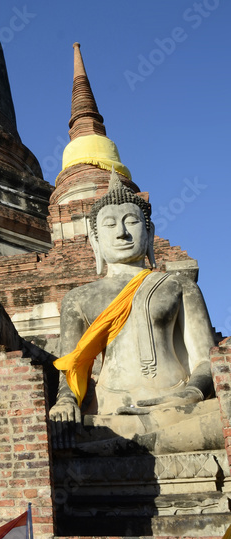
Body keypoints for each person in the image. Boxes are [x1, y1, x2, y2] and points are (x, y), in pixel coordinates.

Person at [49, 170, 220, 454]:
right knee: (61, 438)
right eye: (110, 225)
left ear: (149, 232)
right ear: (95, 240)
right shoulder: (79, 298)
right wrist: (66, 402)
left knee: (217, 421)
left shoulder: (178, 286)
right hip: (109, 413)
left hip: (178, 408)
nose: (121, 232)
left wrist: (191, 393)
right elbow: (72, 369)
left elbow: (205, 360)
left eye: (131, 222)